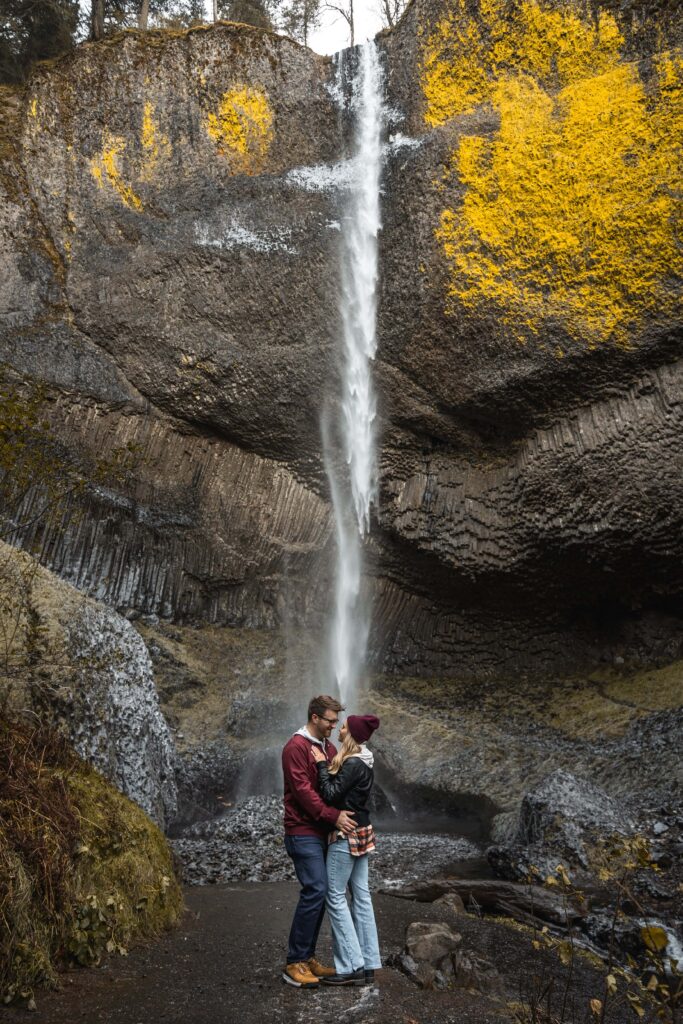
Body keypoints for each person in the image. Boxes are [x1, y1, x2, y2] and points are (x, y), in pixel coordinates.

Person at [281, 695, 357, 989]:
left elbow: (330, 789)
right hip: (301, 831)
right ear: (315, 717)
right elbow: (303, 793)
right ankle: (293, 964)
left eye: (336, 721)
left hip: (320, 831)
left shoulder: (327, 747)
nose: (334, 726)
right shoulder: (295, 748)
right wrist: (334, 817)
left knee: (323, 891)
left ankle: (307, 957)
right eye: (330, 720)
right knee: (316, 888)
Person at [310, 714, 382, 987]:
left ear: (350, 733)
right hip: (363, 830)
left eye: (343, 726)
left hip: (346, 834)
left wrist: (319, 765)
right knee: (361, 896)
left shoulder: (352, 764)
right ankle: (369, 963)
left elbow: (329, 794)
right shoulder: (365, 760)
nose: (338, 729)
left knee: (335, 895)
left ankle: (352, 965)